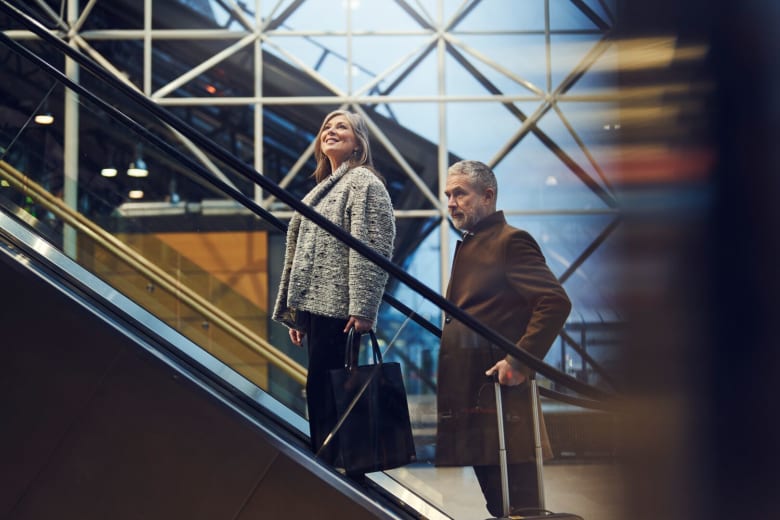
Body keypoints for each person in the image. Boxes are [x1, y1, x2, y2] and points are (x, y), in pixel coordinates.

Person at [436, 160, 571, 517]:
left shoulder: (511, 242)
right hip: (478, 396)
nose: (451, 202)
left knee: (520, 505)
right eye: (448, 195)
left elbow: (554, 302)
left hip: (502, 400)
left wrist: (519, 361)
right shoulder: (472, 244)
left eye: (460, 194)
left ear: (488, 195)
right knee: (501, 506)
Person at [272, 109, 396, 471]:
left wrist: (365, 307)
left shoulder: (364, 183)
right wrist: (297, 311)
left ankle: (333, 469)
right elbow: (303, 254)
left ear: (359, 142)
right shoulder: (324, 189)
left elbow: (373, 246)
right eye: (327, 126)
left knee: (331, 391)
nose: (331, 130)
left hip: (341, 309)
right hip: (317, 308)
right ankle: (327, 466)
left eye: (342, 126)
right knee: (322, 389)